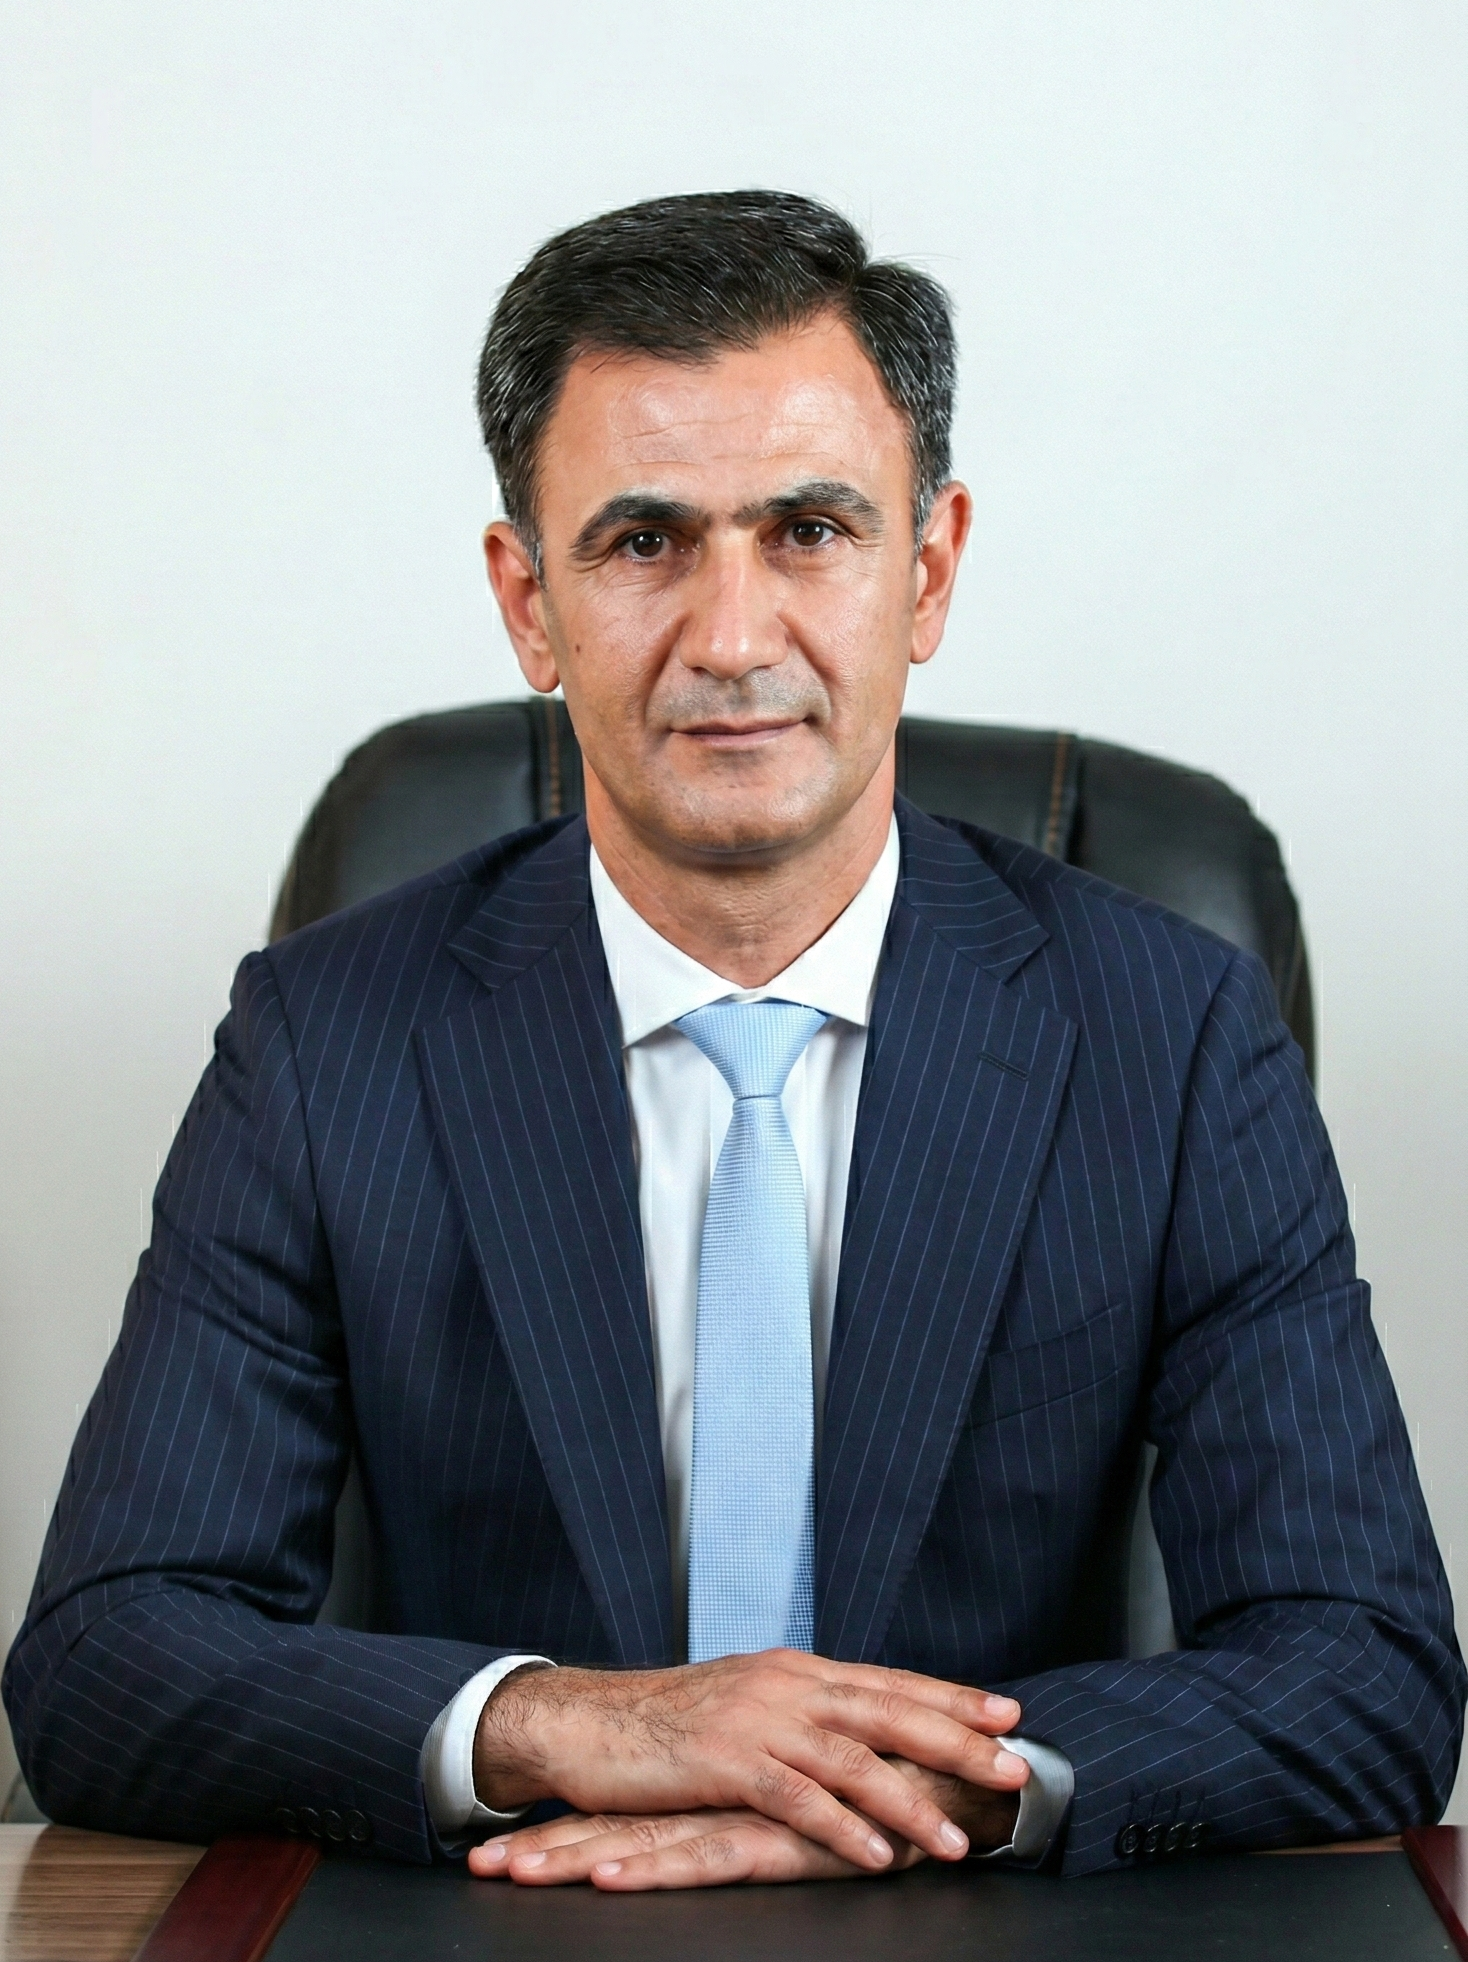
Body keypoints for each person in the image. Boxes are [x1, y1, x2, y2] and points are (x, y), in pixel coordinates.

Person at [4, 190, 1462, 1888]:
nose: (734, 636)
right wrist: (567, 1722)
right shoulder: (327, 1043)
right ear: (528, 601)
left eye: (811, 530)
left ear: (928, 571)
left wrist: (903, 1789)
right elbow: (103, 1657)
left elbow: (1368, 1669)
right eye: (642, 542)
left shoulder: (1174, 1033)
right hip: (516, 1919)